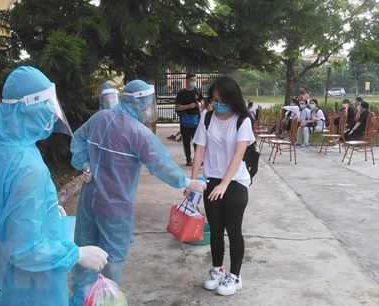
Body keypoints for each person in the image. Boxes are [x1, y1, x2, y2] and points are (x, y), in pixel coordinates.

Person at [0, 66, 109, 306]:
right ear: (25, 108)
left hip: (0, 274)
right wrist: (77, 254)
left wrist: (44, 209)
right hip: (34, 286)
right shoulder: (27, 168)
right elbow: (24, 249)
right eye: (45, 106)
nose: (51, 115)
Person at [69, 79, 207, 305]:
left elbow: (78, 139)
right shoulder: (138, 133)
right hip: (115, 205)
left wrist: (84, 163)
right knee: (113, 256)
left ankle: (79, 298)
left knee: (85, 248)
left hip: (89, 200)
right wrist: (187, 182)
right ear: (140, 103)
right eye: (147, 103)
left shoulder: (100, 117)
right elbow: (160, 165)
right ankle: (104, 298)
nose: (148, 109)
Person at [190, 76, 255, 297]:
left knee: (233, 230)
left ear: (232, 98)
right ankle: (217, 269)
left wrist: (225, 183)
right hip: (211, 180)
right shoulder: (207, 118)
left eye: (221, 99)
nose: (217, 103)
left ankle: (235, 276)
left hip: (235, 181)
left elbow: (239, 153)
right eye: (214, 99)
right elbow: (200, 149)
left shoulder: (241, 120)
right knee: (216, 230)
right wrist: (193, 181)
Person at [175, 73, 204, 166]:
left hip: (196, 120)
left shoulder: (197, 91)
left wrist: (200, 104)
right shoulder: (181, 93)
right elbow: (178, 107)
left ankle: (198, 159)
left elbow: (202, 101)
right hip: (185, 121)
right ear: (187, 80)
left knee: (197, 140)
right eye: (192, 80)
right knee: (186, 141)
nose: (194, 82)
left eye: (195, 80)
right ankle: (188, 159)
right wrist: (188, 106)